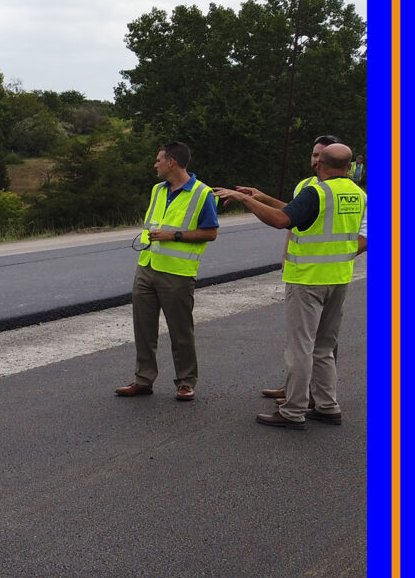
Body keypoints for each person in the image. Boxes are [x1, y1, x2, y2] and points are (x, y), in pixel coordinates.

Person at [215, 142, 367, 428]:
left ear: (319, 163)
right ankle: (327, 405)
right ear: (349, 167)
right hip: (339, 278)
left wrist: (246, 200)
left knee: (301, 348)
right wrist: (263, 197)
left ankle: (293, 410)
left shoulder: (316, 192)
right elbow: (303, 214)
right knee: (324, 346)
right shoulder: (358, 195)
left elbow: (282, 220)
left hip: (307, 279)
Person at [114, 142, 219, 402]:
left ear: (171, 162)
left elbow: (210, 232)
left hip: (177, 274)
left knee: (180, 331)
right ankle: (143, 379)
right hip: (147, 266)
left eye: (159, 160)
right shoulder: (157, 190)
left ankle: (185, 382)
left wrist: (173, 235)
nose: (155, 164)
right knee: (143, 328)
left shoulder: (202, 193)